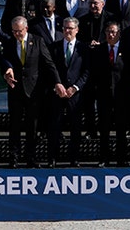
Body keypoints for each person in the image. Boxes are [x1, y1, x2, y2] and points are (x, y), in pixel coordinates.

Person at [1, 15, 59, 167]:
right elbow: (4, 60)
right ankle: (13, 158)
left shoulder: (38, 41)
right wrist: (7, 71)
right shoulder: (9, 42)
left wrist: (57, 82)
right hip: (15, 90)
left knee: (32, 126)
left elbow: (48, 63)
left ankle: (30, 158)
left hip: (34, 91)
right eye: (14, 31)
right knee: (14, 126)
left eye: (19, 31)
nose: (16, 34)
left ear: (26, 28)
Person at [50, 17, 91, 167]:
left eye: (71, 28)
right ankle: (52, 158)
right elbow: (51, 68)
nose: (68, 31)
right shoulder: (54, 47)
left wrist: (75, 87)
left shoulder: (83, 48)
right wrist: (57, 84)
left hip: (76, 95)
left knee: (76, 128)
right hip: (58, 93)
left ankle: (74, 159)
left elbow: (87, 71)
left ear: (77, 30)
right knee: (55, 127)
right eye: (65, 28)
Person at [95, 22, 130, 166]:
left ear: (119, 33)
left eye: (114, 32)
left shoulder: (126, 50)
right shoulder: (99, 50)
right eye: (108, 32)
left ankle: (122, 159)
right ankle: (104, 158)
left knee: (121, 129)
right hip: (104, 95)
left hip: (121, 96)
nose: (111, 35)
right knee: (104, 129)